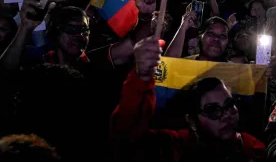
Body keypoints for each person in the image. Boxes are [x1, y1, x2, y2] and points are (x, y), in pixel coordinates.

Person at [110, 35, 265, 162]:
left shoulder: (253, 149)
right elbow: (126, 138)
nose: (226, 115)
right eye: (213, 110)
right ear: (191, 121)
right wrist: (141, 78)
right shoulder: (171, 147)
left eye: (229, 105)